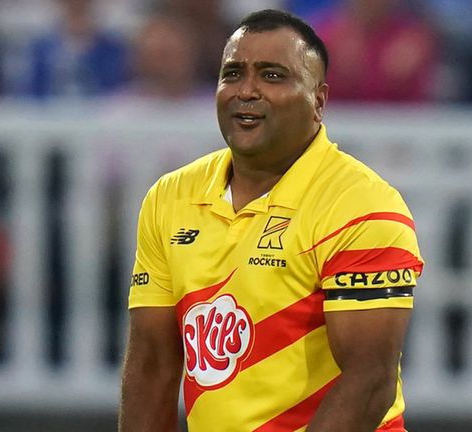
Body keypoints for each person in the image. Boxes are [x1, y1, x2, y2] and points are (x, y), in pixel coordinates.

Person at [119, 9, 423, 432]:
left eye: (272, 76)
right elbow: (152, 364)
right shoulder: (169, 198)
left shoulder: (362, 205)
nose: (247, 91)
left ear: (318, 100)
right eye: (233, 74)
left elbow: (370, 383)